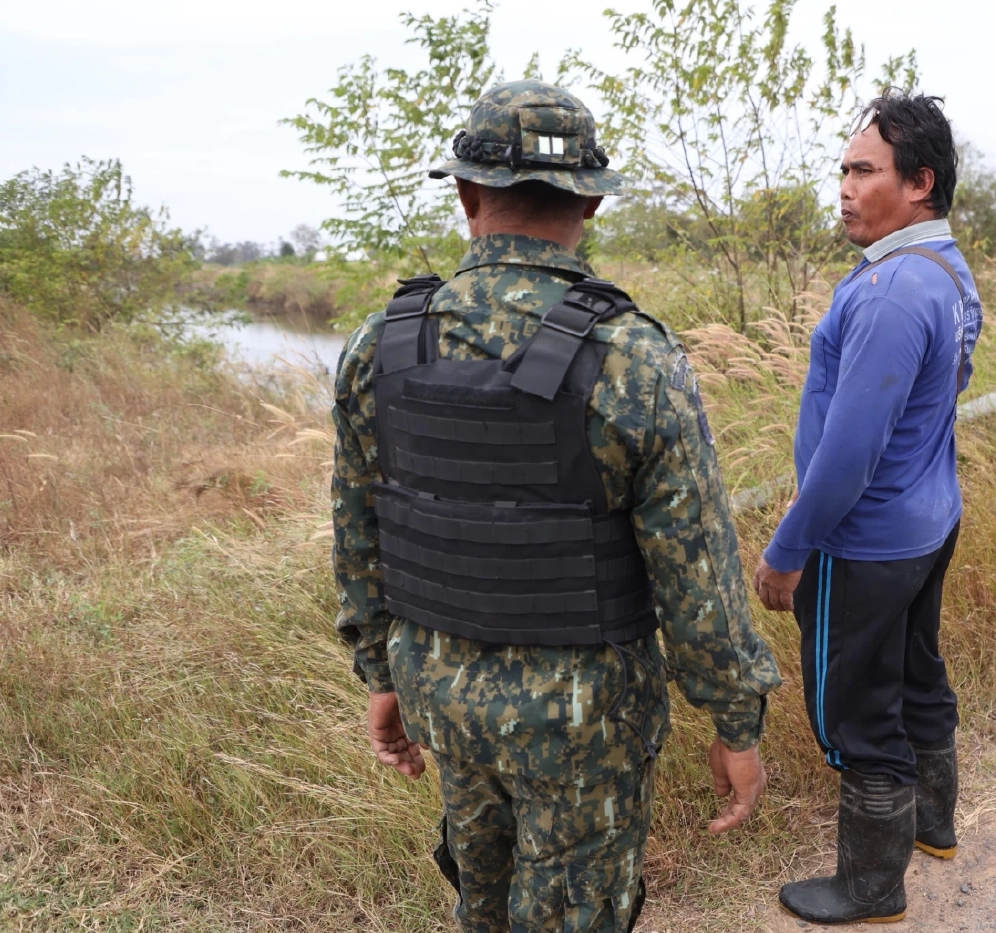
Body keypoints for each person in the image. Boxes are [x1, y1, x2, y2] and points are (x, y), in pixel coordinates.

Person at [331, 80, 781, 932]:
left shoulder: (379, 349)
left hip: (444, 701)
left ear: (466, 195)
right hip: (587, 725)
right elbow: (698, 571)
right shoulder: (635, 360)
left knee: (482, 905)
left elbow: (361, 540)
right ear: (594, 202)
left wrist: (382, 677)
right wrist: (735, 720)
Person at [752, 89, 983, 925]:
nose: (844, 187)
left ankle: (871, 886)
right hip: (928, 518)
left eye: (863, 170)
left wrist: (788, 549)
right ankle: (935, 825)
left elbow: (850, 451)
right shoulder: (947, 272)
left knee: (854, 709)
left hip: (867, 539)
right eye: (843, 169)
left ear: (919, 181)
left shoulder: (890, 291)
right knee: (917, 671)